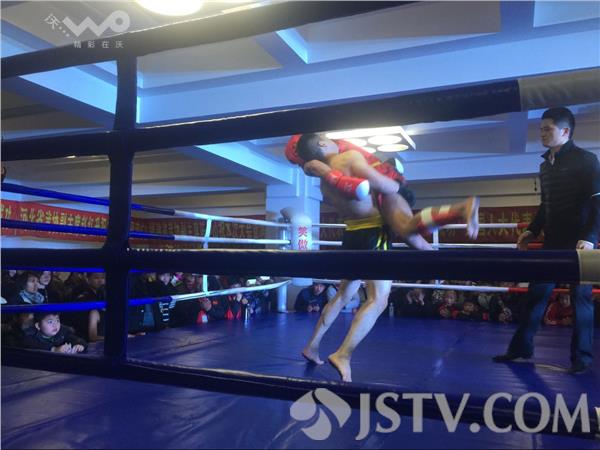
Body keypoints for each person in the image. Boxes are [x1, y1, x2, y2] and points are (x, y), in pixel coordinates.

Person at [295, 134, 478, 382]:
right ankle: (343, 354)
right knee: (378, 299)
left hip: (351, 235)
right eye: (326, 137)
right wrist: (392, 178)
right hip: (372, 234)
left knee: (343, 294)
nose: (334, 139)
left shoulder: (324, 182)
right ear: (321, 143)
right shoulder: (348, 157)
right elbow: (388, 187)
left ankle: (312, 345)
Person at [493, 107, 600, 374]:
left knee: (581, 300)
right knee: (536, 294)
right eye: (540, 129)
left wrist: (590, 237)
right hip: (553, 241)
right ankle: (521, 348)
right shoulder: (545, 165)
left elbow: (598, 202)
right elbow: (546, 204)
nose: (541, 133)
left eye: (547, 129)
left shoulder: (587, 160)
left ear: (565, 131)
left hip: (580, 243)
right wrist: (531, 230)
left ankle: (582, 359)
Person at [286, 133, 480, 249]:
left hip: (383, 186)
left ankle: (460, 209)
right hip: (378, 189)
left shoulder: (341, 154)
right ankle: (440, 264)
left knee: (406, 228)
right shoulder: (334, 155)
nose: (304, 167)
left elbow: (373, 184)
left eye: (302, 162)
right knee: (412, 238)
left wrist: (326, 173)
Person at [22, 312, 87, 353]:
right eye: (50, 322)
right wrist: (53, 349)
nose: (55, 325)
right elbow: (31, 344)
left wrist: (79, 345)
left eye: (57, 320)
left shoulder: (63, 331)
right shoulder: (31, 335)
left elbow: (76, 339)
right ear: (38, 326)